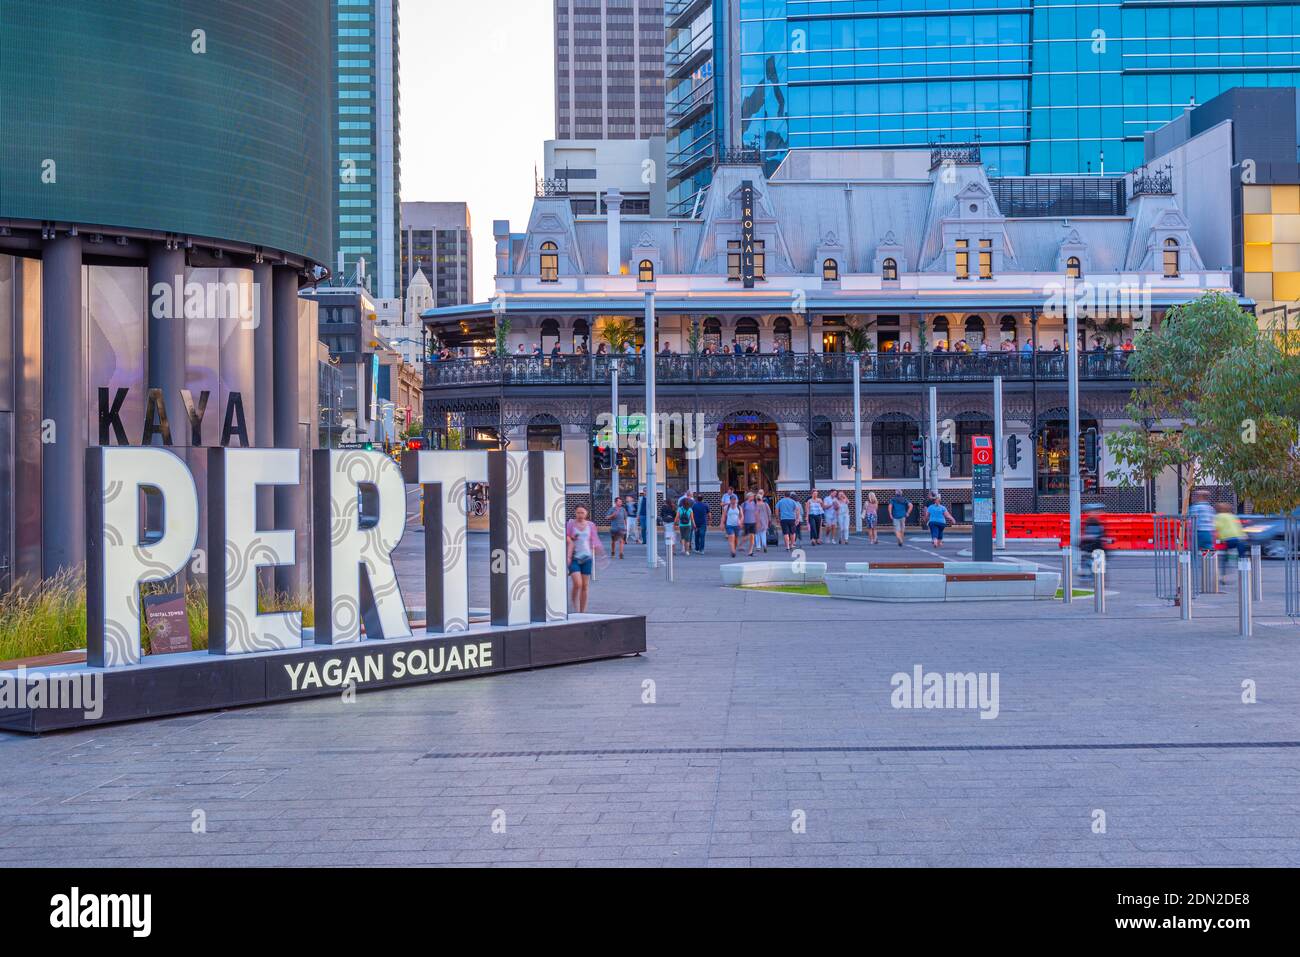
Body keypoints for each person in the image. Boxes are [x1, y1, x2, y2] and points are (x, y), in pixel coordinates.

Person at [566, 505, 598, 613]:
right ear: (575, 513)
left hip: (587, 558)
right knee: (578, 584)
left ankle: (582, 611)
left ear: (586, 513)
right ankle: (573, 602)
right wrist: (570, 539)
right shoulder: (570, 525)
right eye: (578, 512)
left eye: (582, 513)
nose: (580, 515)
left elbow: (594, 540)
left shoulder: (591, 525)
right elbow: (566, 537)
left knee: (585, 586)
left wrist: (600, 553)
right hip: (574, 558)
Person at [1214, 503, 1248, 584]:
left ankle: (1223, 576)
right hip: (1239, 538)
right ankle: (1244, 574)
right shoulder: (1233, 516)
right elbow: (1239, 526)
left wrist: (1217, 539)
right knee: (1242, 558)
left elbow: (1217, 528)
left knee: (1224, 558)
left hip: (1227, 539)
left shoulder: (1218, 517)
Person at [721, 494, 742, 558]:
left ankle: (734, 549)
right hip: (729, 525)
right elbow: (724, 516)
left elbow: (742, 516)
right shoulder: (726, 507)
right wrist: (722, 523)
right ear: (730, 500)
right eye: (732, 500)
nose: (733, 501)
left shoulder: (739, 507)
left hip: (737, 525)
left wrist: (740, 521)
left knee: (736, 540)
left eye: (735, 500)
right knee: (731, 537)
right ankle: (733, 551)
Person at [741, 491, 759, 556]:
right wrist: (741, 521)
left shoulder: (754, 504)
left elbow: (756, 513)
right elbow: (741, 513)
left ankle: (750, 551)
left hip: (753, 522)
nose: (753, 497)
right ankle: (741, 545)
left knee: (752, 536)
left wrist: (757, 522)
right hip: (746, 522)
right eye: (752, 496)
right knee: (746, 536)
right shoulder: (744, 504)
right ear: (749, 497)